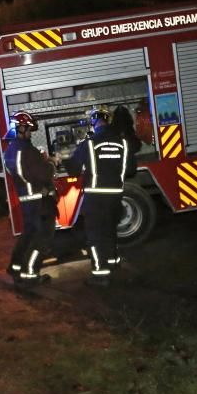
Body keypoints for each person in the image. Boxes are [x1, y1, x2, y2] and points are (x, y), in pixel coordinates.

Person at [66, 105, 137, 287]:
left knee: (96, 235)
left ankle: (100, 274)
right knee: (110, 231)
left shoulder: (89, 144)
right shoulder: (122, 143)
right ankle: (113, 262)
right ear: (108, 120)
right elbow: (130, 170)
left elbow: (72, 168)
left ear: (94, 122)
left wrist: (63, 160)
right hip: (115, 196)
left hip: (96, 197)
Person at [3, 111, 57, 288]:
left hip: (27, 200)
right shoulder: (27, 150)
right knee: (41, 239)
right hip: (39, 202)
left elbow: (20, 174)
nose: (30, 133)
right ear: (20, 128)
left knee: (27, 236)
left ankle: (15, 268)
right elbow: (43, 173)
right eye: (28, 129)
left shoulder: (10, 150)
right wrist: (51, 163)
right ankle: (30, 274)